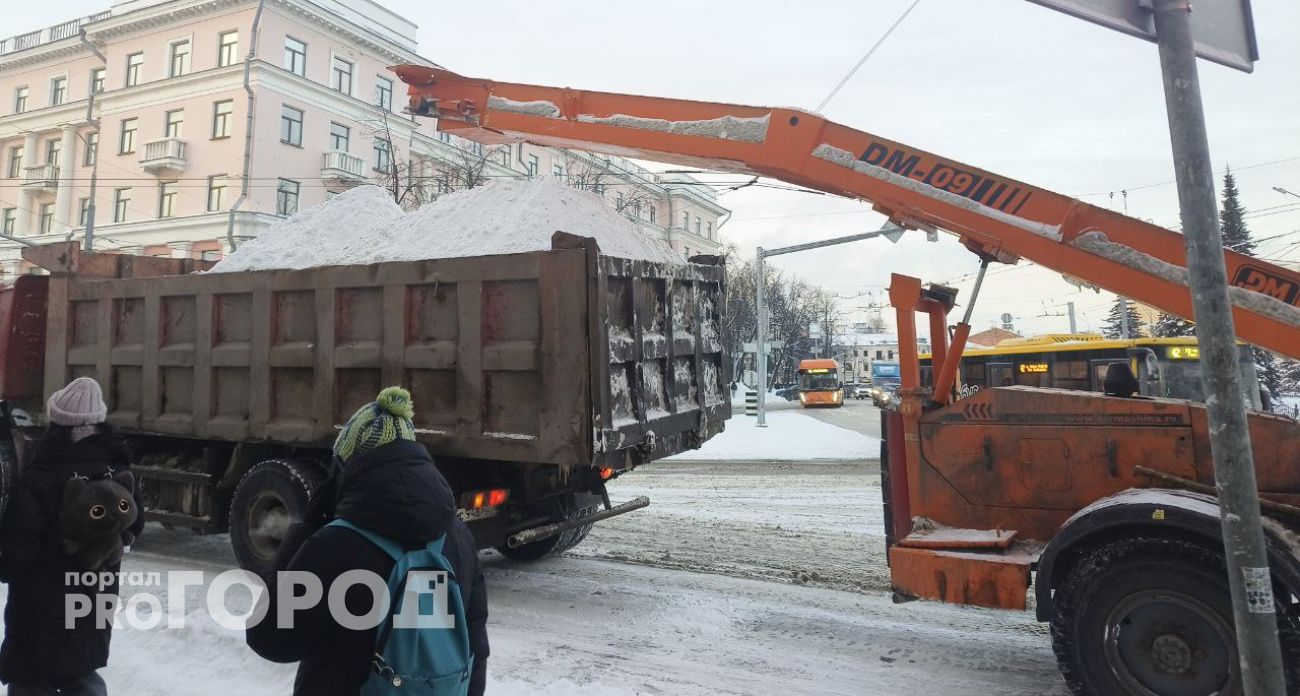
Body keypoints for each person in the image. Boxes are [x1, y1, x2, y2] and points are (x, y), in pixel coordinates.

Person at [247, 386, 489, 696]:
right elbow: (476, 646)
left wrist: (305, 528)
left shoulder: (334, 546)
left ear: (348, 466)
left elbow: (270, 640)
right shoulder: (457, 536)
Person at [0, 377, 144, 695]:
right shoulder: (119, 470)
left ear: (58, 424)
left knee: (30, 679)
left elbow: (15, 552)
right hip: (93, 598)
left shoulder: (39, 476)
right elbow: (134, 526)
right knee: (81, 670)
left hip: (39, 604)